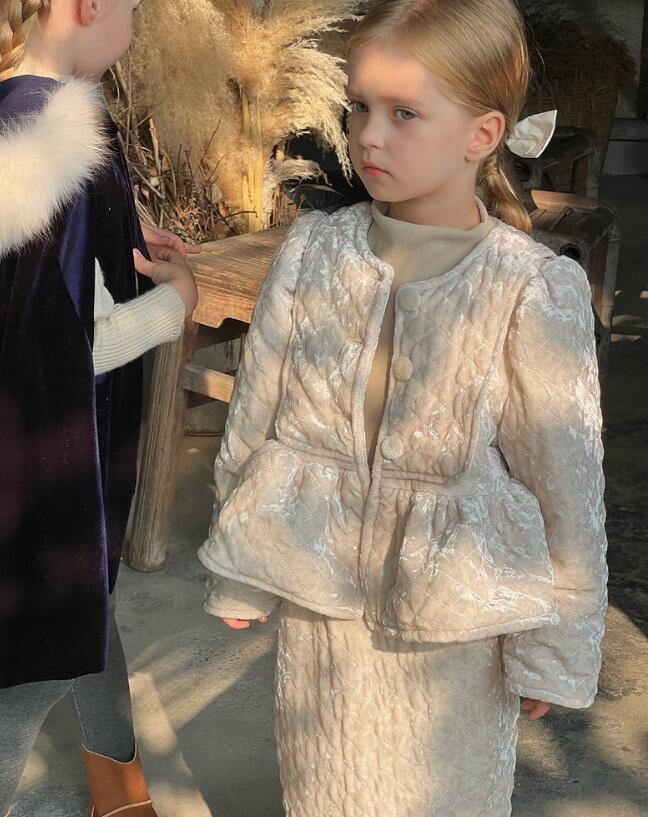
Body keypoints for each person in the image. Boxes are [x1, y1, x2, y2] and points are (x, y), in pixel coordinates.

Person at [198, 1, 608, 815]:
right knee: (323, 788)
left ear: (482, 134)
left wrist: (557, 647)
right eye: (359, 107)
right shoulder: (313, 251)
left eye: (404, 113)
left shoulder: (529, 287)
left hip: (453, 629)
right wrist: (241, 566)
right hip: (320, 610)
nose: (368, 136)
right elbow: (257, 414)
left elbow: (568, 490)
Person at [0, 2, 199, 815]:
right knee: (31, 664)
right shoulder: (68, 139)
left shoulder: (16, 117)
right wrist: (175, 306)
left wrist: (127, 225)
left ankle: (122, 791)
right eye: (134, 6)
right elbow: (62, 351)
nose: (136, 22)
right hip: (46, 481)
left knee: (87, 614)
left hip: (23, 472)